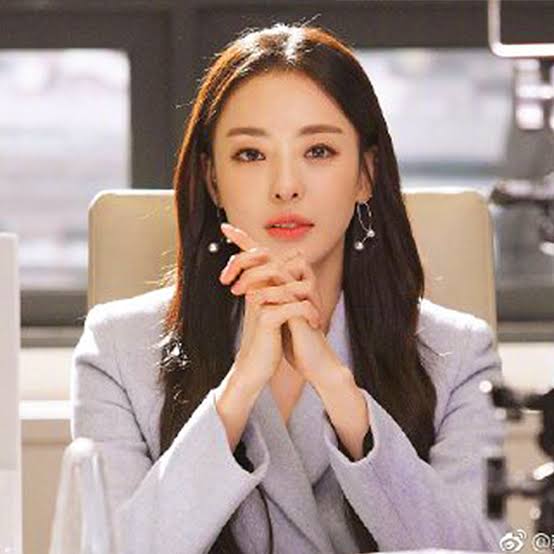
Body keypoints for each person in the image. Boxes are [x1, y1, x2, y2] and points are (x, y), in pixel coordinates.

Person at [71, 22, 512, 554]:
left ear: (366, 174)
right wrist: (237, 391)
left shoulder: (459, 354)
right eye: (251, 154)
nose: (286, 186)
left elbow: (481, 548)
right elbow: (109, 548)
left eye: (319, 151)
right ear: (212, 179)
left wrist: (339, 390)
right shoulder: (116, 351)